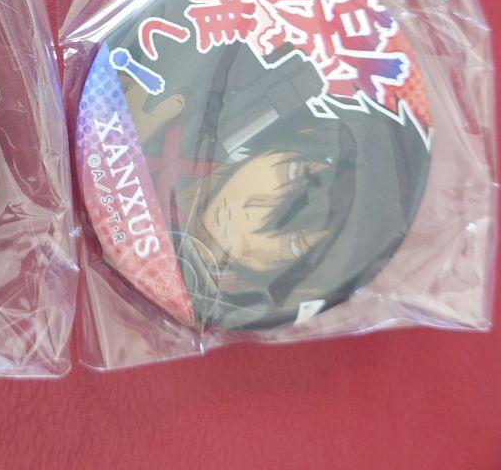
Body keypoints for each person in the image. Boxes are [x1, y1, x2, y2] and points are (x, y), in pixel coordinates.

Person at [121, 38, 428, 329]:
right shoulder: (194, 108)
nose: (252, 212)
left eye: (296, 242)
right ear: (301, 134)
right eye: (293, 173)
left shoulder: (199, 289)